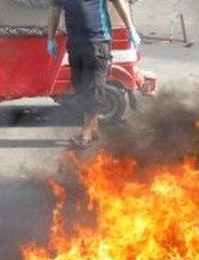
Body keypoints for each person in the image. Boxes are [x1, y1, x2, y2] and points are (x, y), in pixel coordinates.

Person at [47, 0, 141, 149]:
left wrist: (131, 28)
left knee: (95, 87)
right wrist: (51, 38)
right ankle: (94, 129)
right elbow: (54, 9)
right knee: (80, 87)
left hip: (98, 41)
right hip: (75, 43)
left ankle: (85, 132)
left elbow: (119, 3)